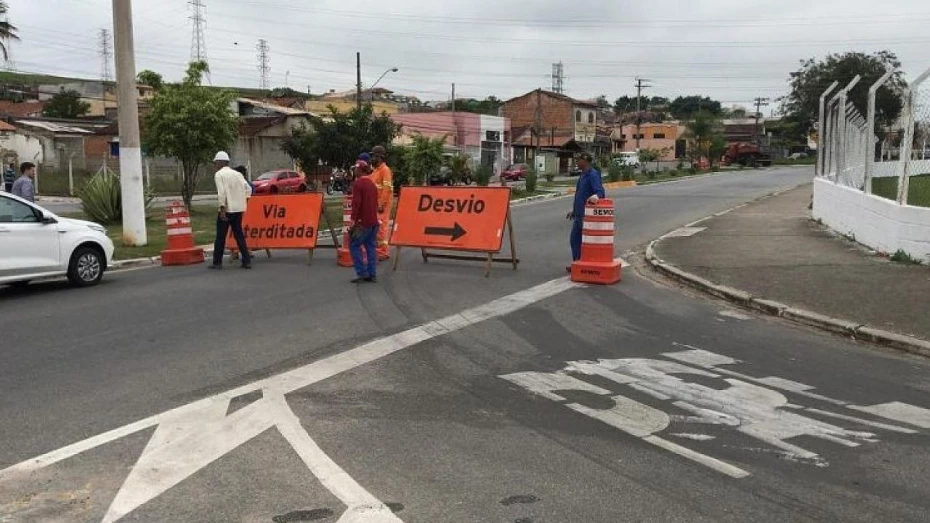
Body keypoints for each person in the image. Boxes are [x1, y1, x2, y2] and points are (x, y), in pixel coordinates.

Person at [209, 152, 251, 270]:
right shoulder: (238, 174)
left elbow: (221, 193)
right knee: (239, 235)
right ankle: (246, 261)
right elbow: (248, 189)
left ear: (220, 162)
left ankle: (217, 262)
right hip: (238, 209)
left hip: (227, 209)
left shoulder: (219, 175)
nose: (215, 165)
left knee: (220, 236)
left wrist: (222, 209)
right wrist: (244, 201)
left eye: (216, 163)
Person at [567, 152, 605, 271]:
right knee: (574, 240)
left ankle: (584, 264)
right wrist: (574, 211)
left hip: (587, 216)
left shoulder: (592, 175)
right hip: (578, 214)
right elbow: (580, 195)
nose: (577, 162)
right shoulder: (582, 175)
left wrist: (596, 197)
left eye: (579, 160)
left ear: (585, 161)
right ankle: (577, 263)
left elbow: (600, 192)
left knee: (585, 242)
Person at [349, 159, 380, 283]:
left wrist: (353, 220)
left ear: (359, 169)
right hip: (373, 222)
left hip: (363, 223)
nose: (354, 171)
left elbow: (356, 204)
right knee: (370, 246)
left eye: (355, 169)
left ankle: (361, 272)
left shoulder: (358, 184)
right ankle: (372, 274)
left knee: (354, 245)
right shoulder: (372, 184)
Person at [368, 145, 394, 260]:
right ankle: (377, 250)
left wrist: (381, 204)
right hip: (375, 203)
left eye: (373, 156)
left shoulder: (385, 170)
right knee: (376, 227)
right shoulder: (376, 171)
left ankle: (383, 252)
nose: (372, 159)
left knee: (381, 227)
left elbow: (386, 189)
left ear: (380, 157)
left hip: (382, 204)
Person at [230, 165, 253, 262]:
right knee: (238, 232)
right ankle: (239, 252)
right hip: (239, 210)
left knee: (238, 232)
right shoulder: (243, 182)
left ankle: (244, 252)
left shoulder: (243, 183)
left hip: (237, 210)